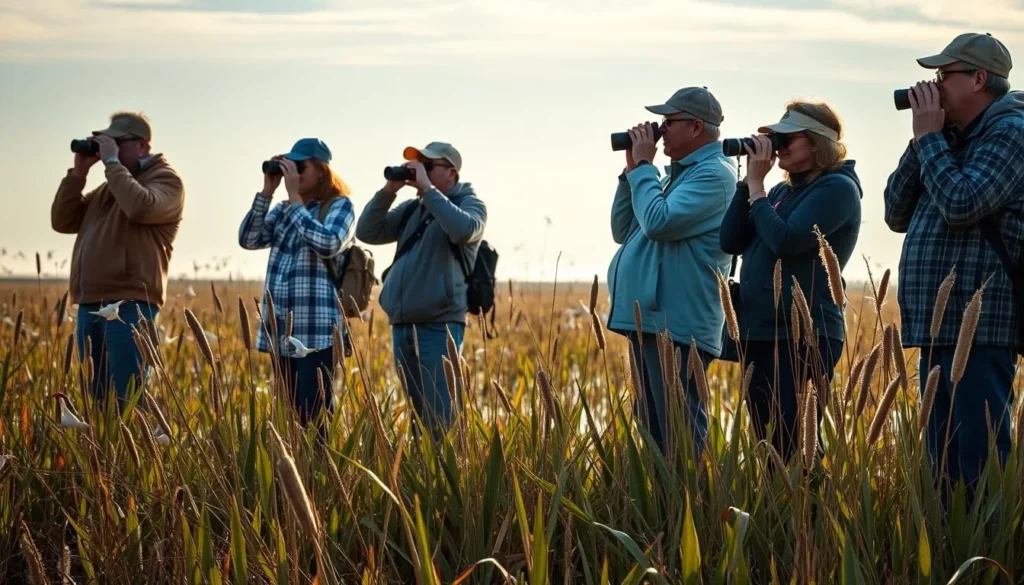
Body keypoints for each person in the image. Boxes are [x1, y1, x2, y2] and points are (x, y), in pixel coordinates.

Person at [884, 32, 1024, 490]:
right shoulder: (947, 137)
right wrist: (927, 138)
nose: (935, 84)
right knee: (940, 462)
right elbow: (894, 212)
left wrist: (929, 140)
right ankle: (950, 551)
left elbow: (962, 203)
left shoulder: (1012, 134)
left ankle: (986, 555)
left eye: (945, 75)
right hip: (940, 323)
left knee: (977, 461)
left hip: (982, 323)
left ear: (979, 79)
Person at [720, 101, 862, 462]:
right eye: (774, 137)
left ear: (816, 142)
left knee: (797, 445)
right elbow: (730, 241)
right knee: (768, 445)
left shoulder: (838, 189)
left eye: (786, 138)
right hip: (762, 331)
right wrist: (748, 185)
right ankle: (777, 516)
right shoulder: (781, 192)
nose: (778, 146)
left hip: (805, 334)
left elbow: (787, 240)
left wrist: (756, 188)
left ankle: (810, 514)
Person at [606, 87, 738, 455]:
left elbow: (658, 222)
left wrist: (645, 169)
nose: (660, 130)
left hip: (678, 323)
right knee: (653, 434)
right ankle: (664, 509)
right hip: (652, 318)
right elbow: (623, 230)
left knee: (679, 433)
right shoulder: (676, 177)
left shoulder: (714, 175)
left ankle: (692, 507)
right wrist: (631, 171)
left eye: (669, 122)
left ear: (696, 127)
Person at [51, 111, 185, 410]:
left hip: (130, 305)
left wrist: (112, 164)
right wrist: (79, 174)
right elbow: (63, 221)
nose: (109, 147)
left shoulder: (166, 181)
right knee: (96, 400)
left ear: (142, 146)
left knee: (129, 399)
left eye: (117, 142)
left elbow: (140, 207)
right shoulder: (109, 187)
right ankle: (103, 454)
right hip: (91, 304)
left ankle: (137, 454)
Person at [355, 142, 486, 434]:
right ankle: (423, 473)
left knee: (441, 416)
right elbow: (367, 232)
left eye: (428, 166)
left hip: (439, 326)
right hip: (402, 323)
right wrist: (388, 191)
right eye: (418, 166)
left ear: (451, 173)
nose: (419, 172)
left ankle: (447, 475)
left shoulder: (469, 203)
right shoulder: (412, 209)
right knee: (417, 416)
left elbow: (465, 229)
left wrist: (429, 190)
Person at [239, 138, 356, 434]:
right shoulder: (282, 209)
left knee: (315, 414)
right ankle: (293, 474)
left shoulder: (339, 206)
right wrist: (268, 190)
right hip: (280, 326)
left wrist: (294, 199)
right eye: (290, 166)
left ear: (320, 170)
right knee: (288, 413)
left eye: (300, 167)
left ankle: (320, 475)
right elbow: (249, 239)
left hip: (317, 330)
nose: (294, 173)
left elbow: (328, 243)